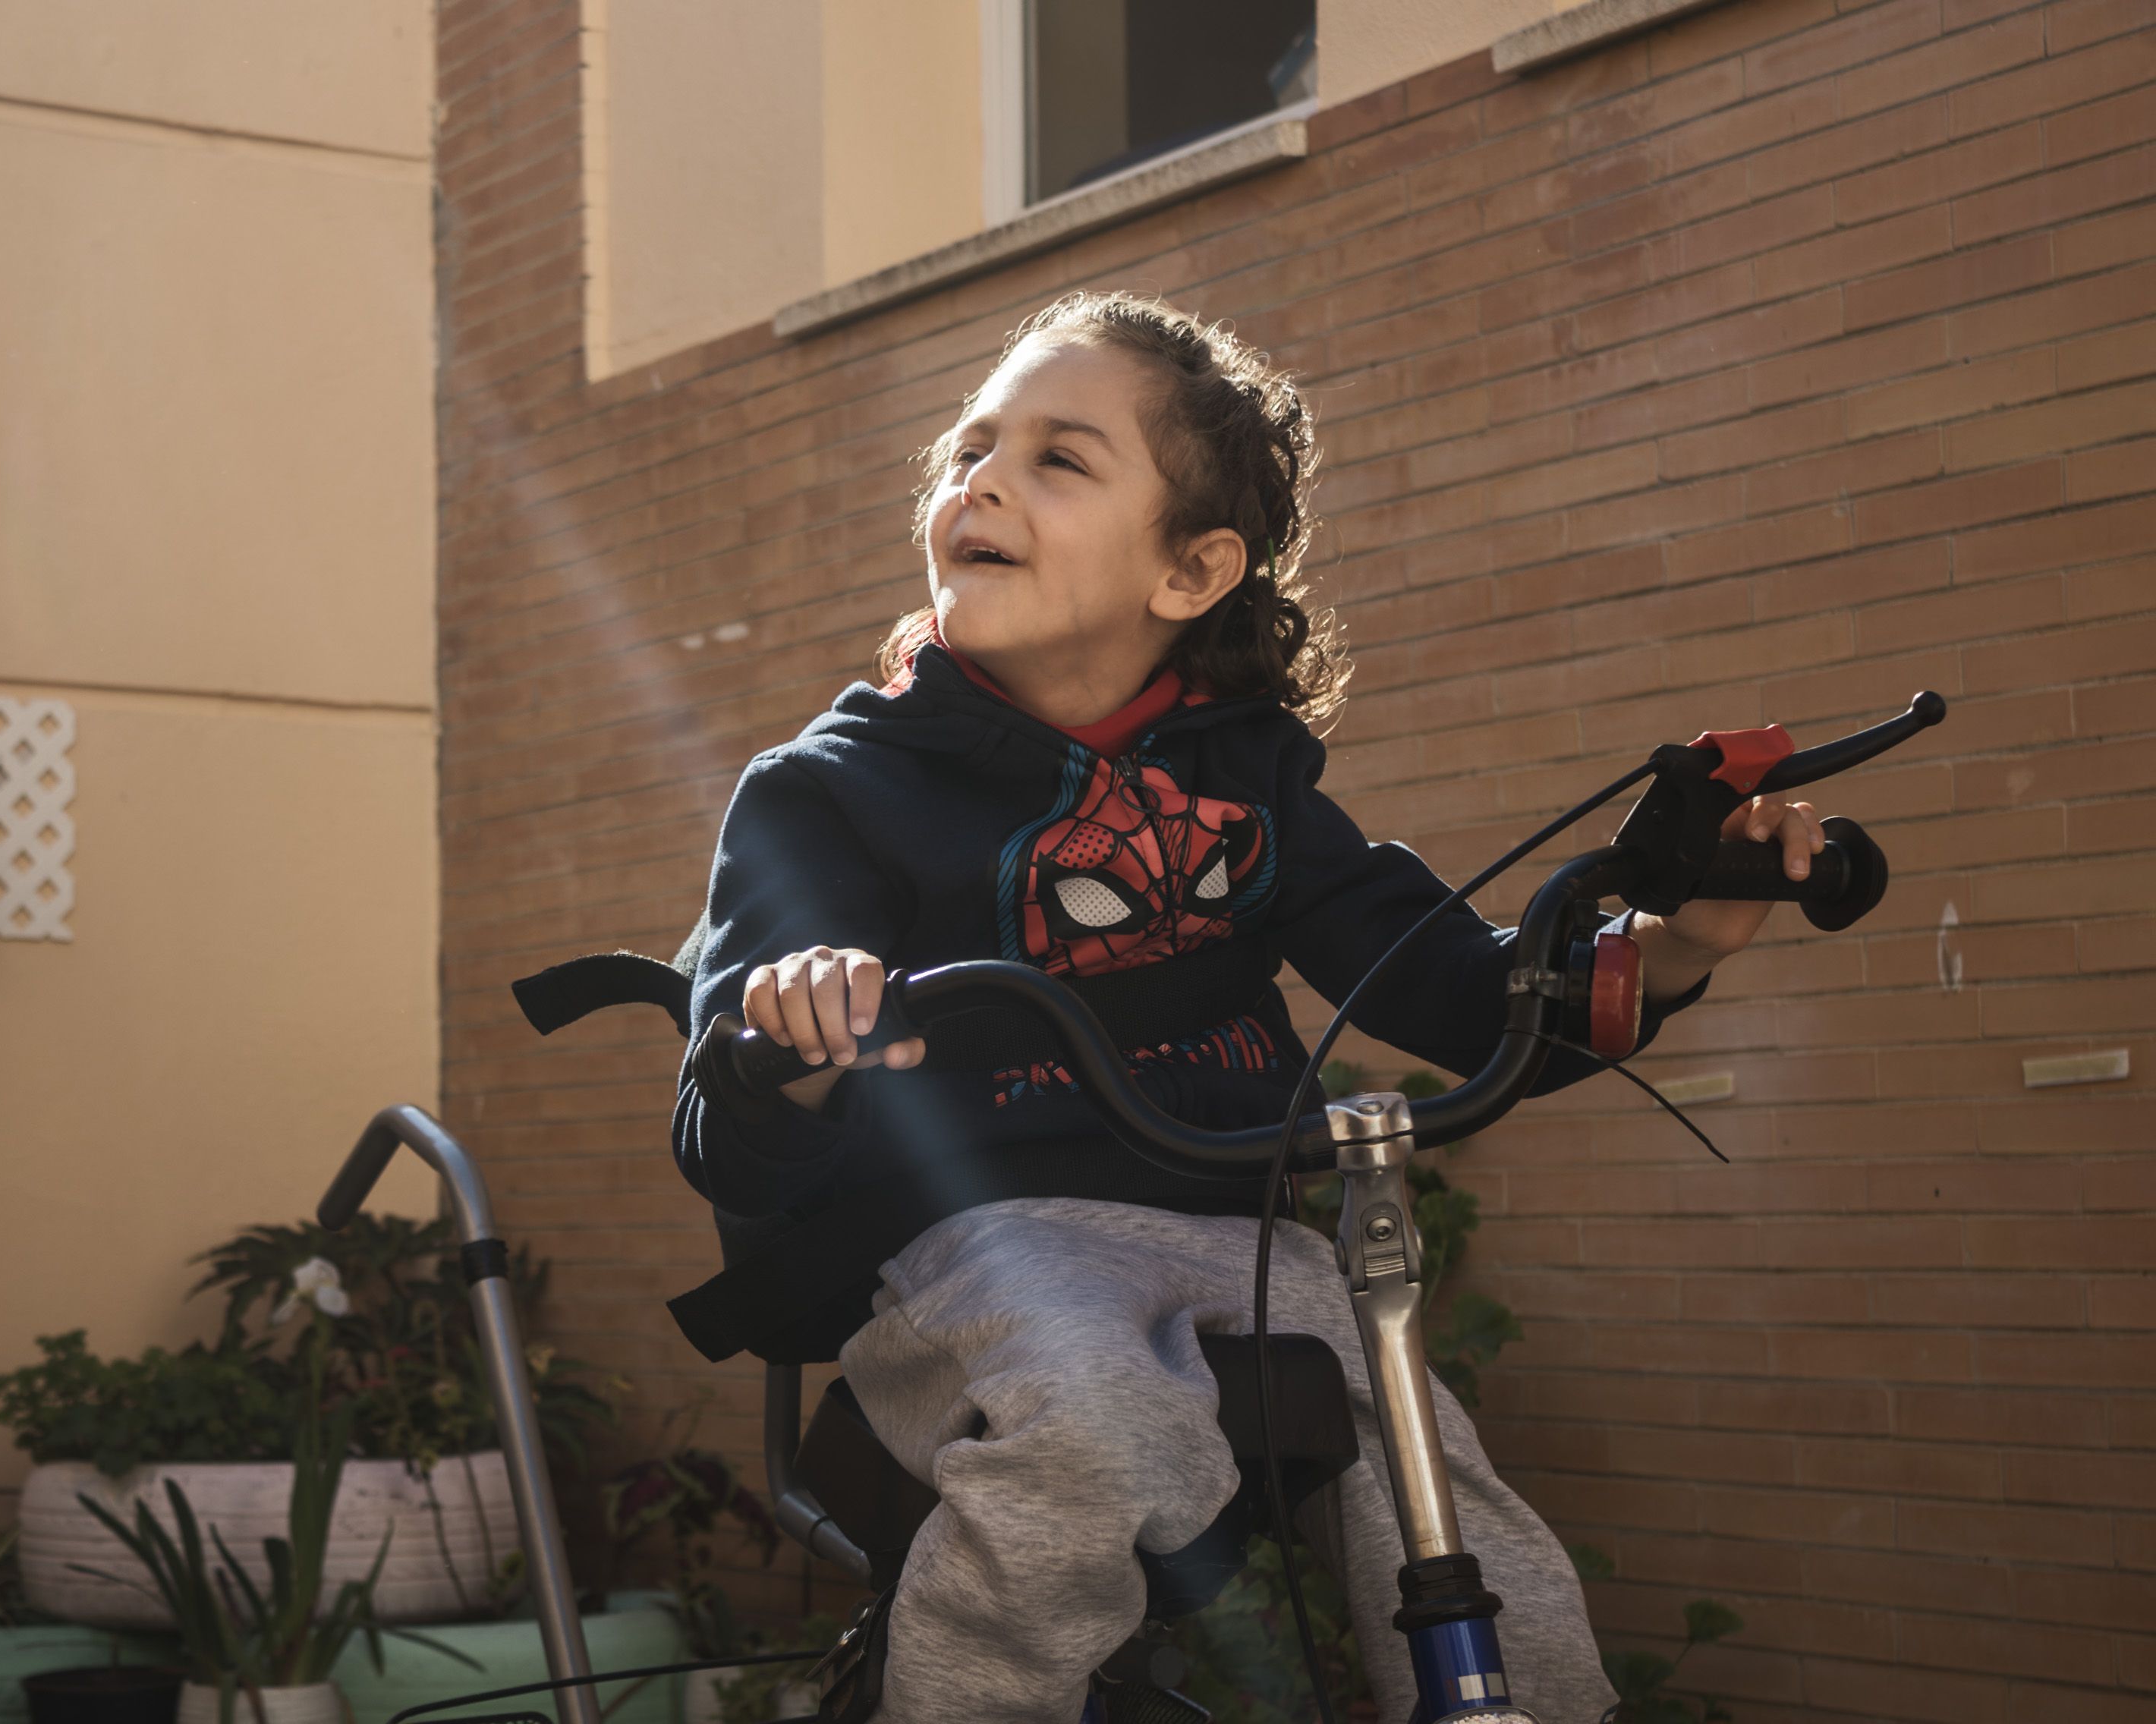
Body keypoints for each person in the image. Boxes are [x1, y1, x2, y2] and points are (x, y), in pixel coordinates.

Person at [671, 292, 1823, 1724]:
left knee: (1434, 1470)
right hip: (981, 1248)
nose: (980, 480)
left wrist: (1679, 941)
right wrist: (793, 1029)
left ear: (1193, 569)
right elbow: (733, 1111)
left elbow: (1454, 989)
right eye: (972, 448)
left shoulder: (1253, 780)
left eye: (1057, 459)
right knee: (1097, 1429)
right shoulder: (829, 789)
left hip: (1239, 1233)